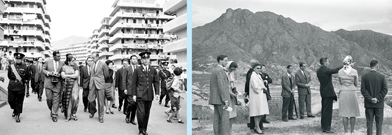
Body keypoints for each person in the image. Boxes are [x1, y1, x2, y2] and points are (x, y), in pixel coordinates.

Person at [130, 52, 159, 135]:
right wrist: (134, 94)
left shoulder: (153, 70)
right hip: (140, 94)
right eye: (144, 59)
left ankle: (144, 130)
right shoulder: (137, 70)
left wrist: (157, 93)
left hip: (149, 94)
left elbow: (156, 82)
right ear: (141, 60)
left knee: (147, 113)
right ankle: (140, 129)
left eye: (147, 59)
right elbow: (134, 83)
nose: (146, 60)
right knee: (140, 113)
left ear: (149, 59)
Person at [361, 60, 388, 135]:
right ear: (377, 66)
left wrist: (370, 99)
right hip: (379, 105)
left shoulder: (364, 77)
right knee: (379, 124)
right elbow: (385, 90)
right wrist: (377, 98)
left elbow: (363, 90)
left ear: (370, 66)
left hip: (369, 104)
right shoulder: (382, 77)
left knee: (369, 124)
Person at [316, 57, 343, 133]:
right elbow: (336, 70)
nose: (328, 63)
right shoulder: (325, 70)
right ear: (324, 62)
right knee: (328, 111)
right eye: (328, 62)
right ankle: (327, 128)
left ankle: (323, 126)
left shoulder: (318, 71)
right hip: (328, 93)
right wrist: (344, 65)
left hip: (323, 92)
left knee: (324, 110)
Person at [337, 56, 360, 134]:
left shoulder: (340, 71)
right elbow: (356, 83)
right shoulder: (354, 71)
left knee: (344, 113)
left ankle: (345, 131)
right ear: (351, 62)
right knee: (353, 113)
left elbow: (340, 82)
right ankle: (352, 131)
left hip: (343, 91)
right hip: (352, 91)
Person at [209, 55, 230, 135]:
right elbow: (222, 86)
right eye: (225, 60)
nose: (227, 62)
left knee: (217, 119)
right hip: (221, 100)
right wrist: (225, 100)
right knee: (224, 120)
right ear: (220, 61)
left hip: (215, 99)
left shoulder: (215, 70)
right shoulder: (220, 71)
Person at [88, 52, 111, 123]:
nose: (92, 59)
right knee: (90, 99)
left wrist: (100, 79)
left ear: (98, 57)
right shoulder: (92, 64)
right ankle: (93, 111)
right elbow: (91, 74)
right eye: (92, 57)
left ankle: (101, 116)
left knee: (100, 102)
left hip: (100, 84)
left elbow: (106, 74)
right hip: (93, 84)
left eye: (93, 57)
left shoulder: (103, 64)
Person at [7, 52, 30, 123]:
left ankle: (17, 115)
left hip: (20, 86)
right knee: (11, 101)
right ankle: (14, 109)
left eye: (19, 59)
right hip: (12, 86)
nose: (18, 60)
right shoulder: (11, 66)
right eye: (17, 59)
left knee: (19, 102)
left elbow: (27, 77)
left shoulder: (25, 67)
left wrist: (24, 81)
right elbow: (9, 76)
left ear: (22, 59)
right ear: (15, 59)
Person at [43, 51, 64, 122]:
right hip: (49, 83)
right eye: (58, 56)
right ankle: (52, 109)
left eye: (59, 56)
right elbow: (43, 70)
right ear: (54, 56)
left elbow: (63, 72)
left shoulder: (62, 63)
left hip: (57, 83)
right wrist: (49, 73)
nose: (59, 57)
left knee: (56, 99)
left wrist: (60, 74)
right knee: (49, 99)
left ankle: (54, 114)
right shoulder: (47, 62)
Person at [250, 63, 270, 134]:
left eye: (259, 68)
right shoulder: (253, 76)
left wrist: (264, 87)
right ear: (254, 69)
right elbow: (255, 87)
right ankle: (257, 127)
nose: (259, 69)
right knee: (257, 112)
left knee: (261, 112)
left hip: (261, 96)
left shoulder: (258, 75)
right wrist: (262, 88)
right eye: (257, 68)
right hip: (257, 96)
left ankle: (257, 126)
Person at [60, 55, 80, 122]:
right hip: (67, 85)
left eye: (74, 60)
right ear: (68, 61)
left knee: (75, 99)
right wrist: (71, 76)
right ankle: (68, 115)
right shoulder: (63, 67)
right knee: (68, 100)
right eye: (72, 61)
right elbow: (63, 76)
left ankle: (73, 113)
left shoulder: (75, 67)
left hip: (75, 85)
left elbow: (76, 75)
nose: (74, 62)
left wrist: (67, 75)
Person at [225, 61, 241, 134]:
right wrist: (231, 93)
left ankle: (229, 130)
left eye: (234, 69)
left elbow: (232, 84)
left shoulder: (231, 73)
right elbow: (225, 86)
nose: (232, 70)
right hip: (227, 96)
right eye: (231, 69)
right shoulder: (225, 73)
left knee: (232, 114)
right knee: (228, 114)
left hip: (232, 95)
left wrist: (235, 90)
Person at [245, 59, 260, 130]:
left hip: (249, 92)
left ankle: (252, 124)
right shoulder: (251, 73)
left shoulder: (249, 72)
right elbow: (248, 83)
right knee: (254, 109)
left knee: (253, 108)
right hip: (252, 93)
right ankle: (252, 125)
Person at [124, 55, 138, 125]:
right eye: (133, 59)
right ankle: (127, 116)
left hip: (137, 90)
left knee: (135, 105)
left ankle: (132, 119)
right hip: (129, 88)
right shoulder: (127, 68)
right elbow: (124, 79)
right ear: (130, 60)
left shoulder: (139, 68)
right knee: (130, 103)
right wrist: (125, 88)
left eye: (136, 59)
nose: (134, 60)